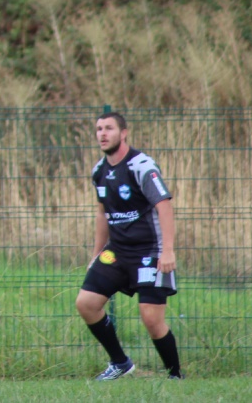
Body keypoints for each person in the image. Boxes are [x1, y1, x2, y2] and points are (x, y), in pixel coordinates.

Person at [76, 110, 182, 380]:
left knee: (151, 319)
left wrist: (168, 251)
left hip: (149, 252)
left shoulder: (141, 166)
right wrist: (97, 253)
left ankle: (175, 375)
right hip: (117, 252)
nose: (102, 134)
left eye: (109, 128)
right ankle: (120, 363)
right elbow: (102, 213)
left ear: (123, 133)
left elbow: (164, 206)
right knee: (86, 303)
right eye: (99, 129)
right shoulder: (99, 171)